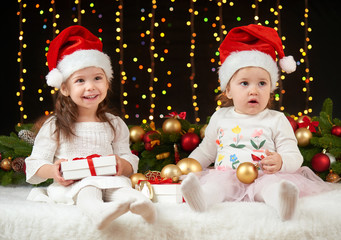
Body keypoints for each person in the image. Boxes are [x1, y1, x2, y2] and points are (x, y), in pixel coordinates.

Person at [180, 24, 332, 221]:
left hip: (265, 176)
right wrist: (189, 168)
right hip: (227, 176)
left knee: (270, 188)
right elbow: (207, 151)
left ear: (270, 89)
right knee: (217, 187)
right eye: (244, 83)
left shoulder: (276, 119)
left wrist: (281, 162)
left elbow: (293, 154)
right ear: (228, 90)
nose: (254, 91)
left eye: (262, 83)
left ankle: (283, 201)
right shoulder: (220, 117)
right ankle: (202, 198)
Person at [25, 25, 156, 229]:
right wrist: (54, 170)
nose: (91, 87)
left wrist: (123, 165)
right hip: (74, 185)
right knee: (89, 189)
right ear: (65, 88)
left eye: (97, 78)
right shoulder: (56, 125)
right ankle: (99, 213)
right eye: (80, 80)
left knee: (122, 188)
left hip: (108, 180)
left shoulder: (114, 123)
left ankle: (140, 205)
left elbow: (128, 157)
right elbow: (35, 163)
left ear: (107, 82)